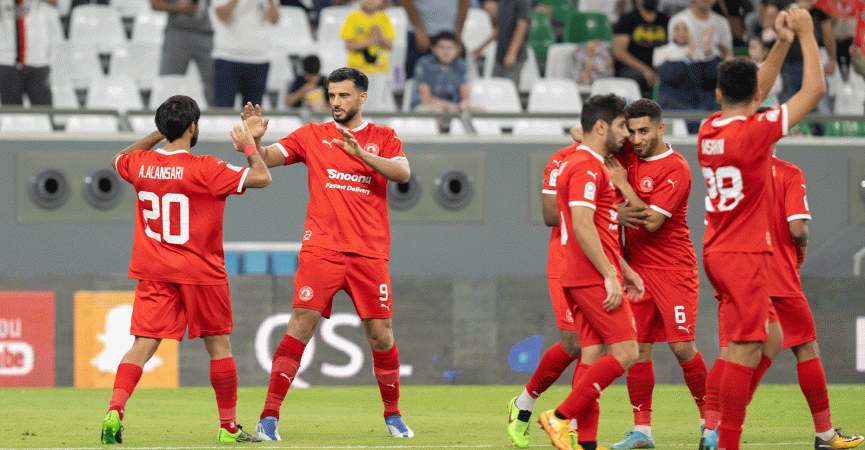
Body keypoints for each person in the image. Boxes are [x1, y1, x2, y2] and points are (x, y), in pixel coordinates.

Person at [243, 68, 414, 441]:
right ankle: (268, 418)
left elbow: (402, 174)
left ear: (362, 98)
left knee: (381, 336)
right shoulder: (312, 135)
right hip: (322, 249)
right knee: (300, 324)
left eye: (344, 96)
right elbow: (267, 159)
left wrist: (362, 154)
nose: (335, 102)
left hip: (369, 253)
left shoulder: (384, 138)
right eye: (332, 95)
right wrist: (253, 143)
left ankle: (393, 414)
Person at [100, 95, 273, 444]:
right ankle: (227, 429)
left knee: (143, 344)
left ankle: (115, 410)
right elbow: (262, 177)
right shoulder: (206, 168)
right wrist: (249, 146)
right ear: (193, 127)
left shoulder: (141, 164)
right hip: (201, 271)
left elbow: (119, 157)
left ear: (164, 127)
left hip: (155, 271)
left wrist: (158, 134)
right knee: (219, 346)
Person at [698, 107, 865, 450]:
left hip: (734, 270)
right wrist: (799, 253)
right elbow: (797, 229)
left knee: (732, 352)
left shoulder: (729, 173)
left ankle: (711, 429)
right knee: (805, 347)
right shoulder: (787, 173)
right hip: (777, 274)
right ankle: (824, 433)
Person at [696, 7, 825, 450]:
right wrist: (806, 35)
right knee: (745, 350)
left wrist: (782, 43)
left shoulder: (708, 130)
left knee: (759, 340)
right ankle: (723, 440)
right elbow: (814, 90)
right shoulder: (753, 135)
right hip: (745, 254)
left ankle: (714, 432)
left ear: (717, 95)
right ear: (753, 96)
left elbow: (754, 91)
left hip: (715, 251)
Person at [536, 94, 644, 450]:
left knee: (592, 355)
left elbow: (601, 226)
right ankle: (560, 417)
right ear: (600, 126)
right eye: (619, 127)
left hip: (583, 273)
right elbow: (582, 225)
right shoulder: (586, 166)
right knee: (627, 352)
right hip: (589, 276)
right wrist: (609, 275)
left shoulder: (587, 163)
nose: (625, 135)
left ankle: (587, 443)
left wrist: (623, 267)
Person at [603, 99, 707, 449]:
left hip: (674, 268)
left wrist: (623, 186)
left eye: (644, 131)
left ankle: (711, 424)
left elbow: (652, 222)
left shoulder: (676, 167)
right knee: (638, 350)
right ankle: (642, 432)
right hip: (637, 270)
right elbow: (583, 135)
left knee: (681, 347)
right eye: (631, 131)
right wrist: (615, 212)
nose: (636, 138)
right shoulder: (628, 154)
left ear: (661, 129)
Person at [506, 135, 588, 449]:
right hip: (566, 260)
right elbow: (550, 214)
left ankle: (572, 423)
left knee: (594, 346)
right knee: (574, 343)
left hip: (603, 261)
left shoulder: (617, 161)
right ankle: (524, 403)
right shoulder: (562, 159)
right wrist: (599, 208)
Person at [210, 0, 279, 108]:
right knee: (223, 110)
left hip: (259, 59)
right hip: (227, 56)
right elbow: (222, 15)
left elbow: (274, 20)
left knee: (253, 115)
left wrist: (271, 3)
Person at [653, 19, 719, 132]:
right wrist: (688, 57)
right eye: (677, 29)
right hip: (672, 101)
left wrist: (708, 50)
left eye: (685, 28)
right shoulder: (662, 52)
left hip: (698, 102)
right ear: (671, 31)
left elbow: (711, 79)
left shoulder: (699, 52)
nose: (681, 32)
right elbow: (671, 76)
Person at [152, 0, 216, 107]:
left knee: (214, 86)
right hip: (177, 32)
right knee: (170, 83)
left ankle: (217, 120)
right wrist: (179, 7)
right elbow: (155, 4)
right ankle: (167, 119)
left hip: (207, 33)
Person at [0, 0, 60, 106]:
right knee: (12, 115)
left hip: (37, 59)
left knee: (44, 111)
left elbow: (55, 3)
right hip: (7, 60)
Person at [398, 0, 469, 80]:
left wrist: (458, 35)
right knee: (415, 81)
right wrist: (418, 29)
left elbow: (464, 2)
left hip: (450, 34)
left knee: (457, 81)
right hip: (420, 34)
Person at [612, 0, 670, 100]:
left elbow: (672, 49)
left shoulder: (666, 20)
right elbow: (619, 52)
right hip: (632, 69)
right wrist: (645, 70)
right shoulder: (627, 19)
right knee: (637, 77)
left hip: (659, 68)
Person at [410, 31, 472, 113]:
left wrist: (464, 105)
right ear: (433, 49)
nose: (446, 51)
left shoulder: (461, 64)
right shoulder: (424, 63)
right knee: (438, 111)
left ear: (457, 49)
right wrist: (449, 106)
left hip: (454, 108)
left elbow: (465, 96)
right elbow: (426, 98)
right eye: (442, 47)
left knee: (479, 112)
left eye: (450, 47)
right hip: (428, 106)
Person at [472, 0, 530, 86]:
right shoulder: (502, 2)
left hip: (515, 56)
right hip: (500, 54)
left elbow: (522, 27)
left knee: (509, 87)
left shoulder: (521, 2)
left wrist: (512, 53)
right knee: (495, 86)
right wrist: (481, 47)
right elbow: (499, 29)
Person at [341, 0, 395, 77]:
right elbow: (348, 45)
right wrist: (369, 41)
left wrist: (380, 36)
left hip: (379, 70)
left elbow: (390, 46)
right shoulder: (352, 18)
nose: (371, 1)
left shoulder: (384, 18)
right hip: (357, 70)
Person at [668, 0, 733, 63]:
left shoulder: (722, 22)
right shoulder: (677, 21)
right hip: (686, 67)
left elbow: (728, 53)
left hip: (714, 68)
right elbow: (673, 53)